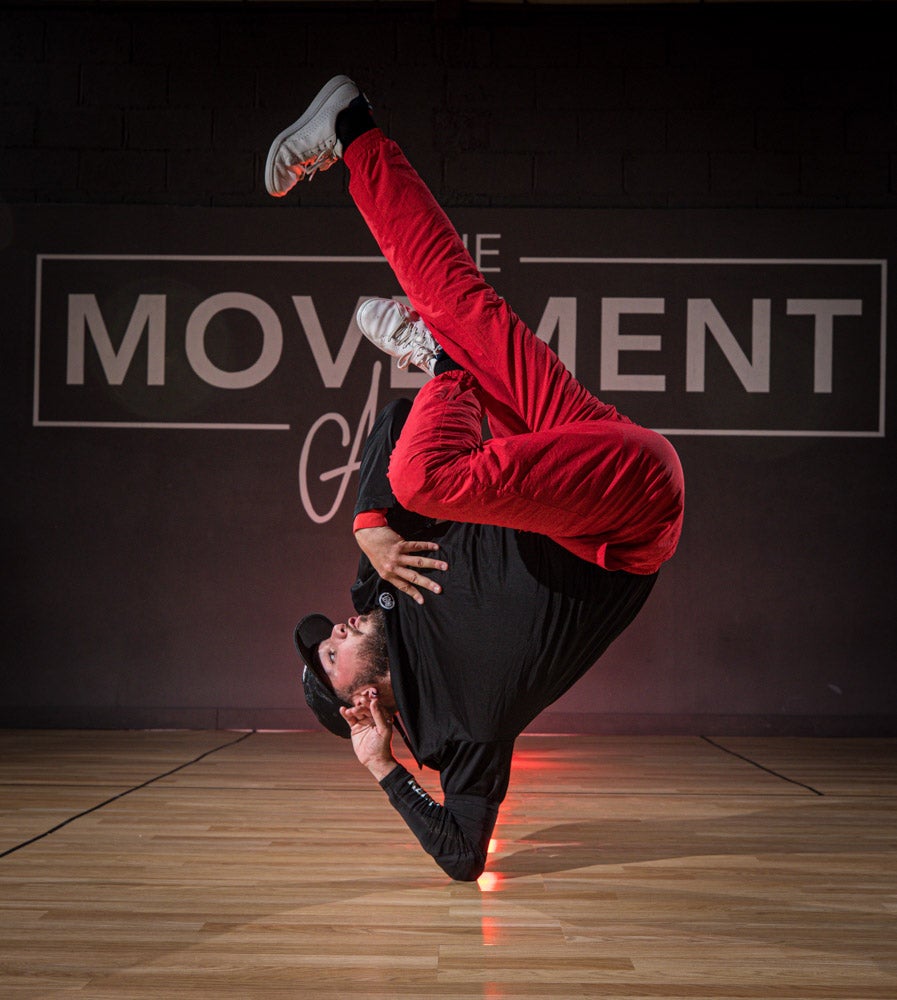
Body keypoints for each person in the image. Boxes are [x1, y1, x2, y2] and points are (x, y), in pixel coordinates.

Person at [266, 75, 685, 882]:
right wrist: (383, 765)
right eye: (331, 657)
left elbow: (392, 425)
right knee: (423, 475)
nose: (338, 632)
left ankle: (351, 132)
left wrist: (368, 525)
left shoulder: (377, 587)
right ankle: (441, 360)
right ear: (359, 703)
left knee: (449, 293)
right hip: (626, 522)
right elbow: (461, 856)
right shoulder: (459, 738)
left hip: (569, 450)